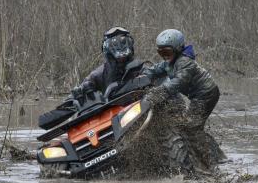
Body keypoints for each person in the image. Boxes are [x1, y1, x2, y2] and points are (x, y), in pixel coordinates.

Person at [143, 29, 221, 167]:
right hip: (198, 95)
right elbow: (155, 69)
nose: (164, 56)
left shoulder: (185, 62)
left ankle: (209, 163)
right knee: (191, 127)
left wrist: (160, 91)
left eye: (167, 52)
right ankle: (216, 155)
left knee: (191, 129)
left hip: (206, 94)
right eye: (161, 53)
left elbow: (179, 82)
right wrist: (141, 76)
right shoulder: (171, 62)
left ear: (177, 49)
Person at [71, 26, 146, 100]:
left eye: (124, 58)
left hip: (139, 107)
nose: (122, 59)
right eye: (118, 59)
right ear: (109, 55)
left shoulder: (140, 67)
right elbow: (85, 85)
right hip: (112, 110)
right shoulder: (100, 74)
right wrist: (80, 91)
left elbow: (153, 82)